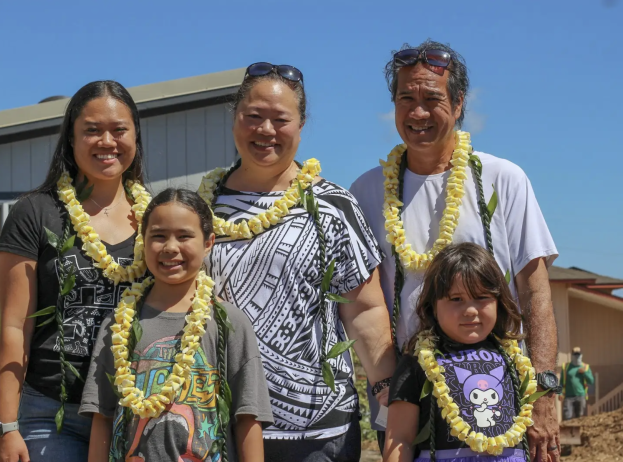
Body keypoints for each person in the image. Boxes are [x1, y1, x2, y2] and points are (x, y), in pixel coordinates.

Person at [349, 40, 560, 462]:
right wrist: (386, 384)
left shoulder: (503, 179)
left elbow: (536, 293)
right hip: (407, 409)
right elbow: (360, 302)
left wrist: (544, 389)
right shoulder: (367, 191)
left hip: (501, 405)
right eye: (406, 98)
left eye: (432, 99)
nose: (418, 112)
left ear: (459, 103)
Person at [198, 62, 396, 461]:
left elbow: (366, 310)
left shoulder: (333, 205)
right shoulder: (202, 205)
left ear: (301, 124)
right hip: (218, 427)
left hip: (317, 436)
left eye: (280, 119)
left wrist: (391, 406)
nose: (266, 130)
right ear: (235, 117)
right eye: (253, 116)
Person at [0, 81, 152, 462]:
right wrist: (4, 427)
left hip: (136, 413)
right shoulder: (35, 212)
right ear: (71, 139)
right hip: (52, 414)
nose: (106, 141)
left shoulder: (154, 218)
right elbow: (15, 327)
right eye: (92, 130)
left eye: (119, 130)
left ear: (136, 136)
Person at [80, 188, 273, 461]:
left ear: (208, 243)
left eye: (184, 236)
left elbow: (248, 417)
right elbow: (102, 415)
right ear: (142, 242)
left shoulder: (229, 323)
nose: (170, 247)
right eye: (158, 236)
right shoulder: (118, 326)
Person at [384, 242, 542, 462]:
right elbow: (400, 439)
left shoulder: (515, 359)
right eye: (456, 299)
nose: (470, 310)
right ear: (433, 306)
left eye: (482, 297)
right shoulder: (416, 362)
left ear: (498, 302)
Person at [559, 347, 594, 421]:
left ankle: (578, 432)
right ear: (572, 355)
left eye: (578, 354)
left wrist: (584, 373)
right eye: (575, 354)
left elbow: (591, 381)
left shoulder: (585, 367)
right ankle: (568, 432)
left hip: (581, 396)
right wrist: (560, 393)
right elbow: (561, 382)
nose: (577, 356)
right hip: (568, 396)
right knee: (567, 416)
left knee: (579, 417)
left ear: (581, 355)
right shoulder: (566, 367)